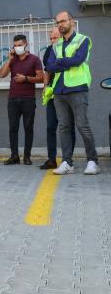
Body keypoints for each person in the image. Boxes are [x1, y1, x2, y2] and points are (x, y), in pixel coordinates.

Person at [45, 11, 99, 175]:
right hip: (59, 90)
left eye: (63, 21)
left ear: (72, 22)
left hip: (77, 88)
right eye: (58, 22)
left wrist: (60, 62)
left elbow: (78, 60)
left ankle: (92, 161)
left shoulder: (83, 40)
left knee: (82, 125)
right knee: (64, 127)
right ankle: (67, 163)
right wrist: (65, 63)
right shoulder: (56, 45)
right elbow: (49, 66)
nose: (60, 24)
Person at [0, 34, 44, 166]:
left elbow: (41, 78)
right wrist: (9, 59)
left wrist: (26, 79)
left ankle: (27, 156)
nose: (17, 48)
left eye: (20, 45)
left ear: (26, 45)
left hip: (28, 99)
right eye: (15, 46)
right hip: (12, 98)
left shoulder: (34, 59)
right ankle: (14, 156)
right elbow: (1, 74)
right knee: (13, 127)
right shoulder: (13, 60)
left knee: (28, 127)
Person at [40, 27, 75, 170]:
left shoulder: (69, 49)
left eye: (55, 38)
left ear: (62, 37)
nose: (53, 41)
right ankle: (51, 159)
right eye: (51, 38)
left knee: (68, 126)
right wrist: (45, 86)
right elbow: (47, 70)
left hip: (68, 92)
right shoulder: (49, 50)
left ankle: (68, 160)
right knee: (50, 126)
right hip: (53, 93)